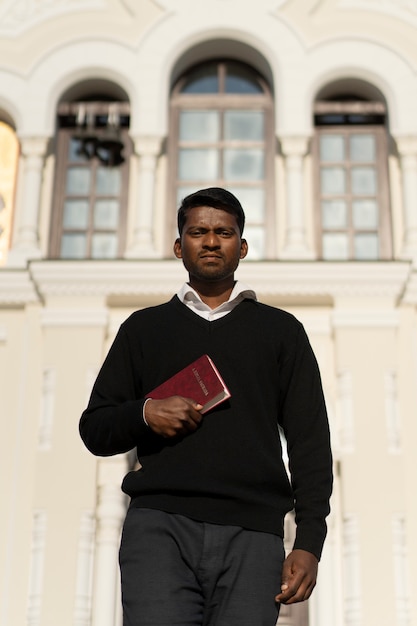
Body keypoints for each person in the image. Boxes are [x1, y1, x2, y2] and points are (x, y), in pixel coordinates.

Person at [79, 187, 333, 626]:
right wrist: (145, 413)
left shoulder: (282, 332)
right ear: (179, 246)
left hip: (253, 535)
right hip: (159, 530)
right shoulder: (143, 329)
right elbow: (94, 428)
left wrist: (309, 542)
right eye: (198, 232)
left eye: (224, 232)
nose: (211, 241)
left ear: (243, 246)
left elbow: (311, 442)